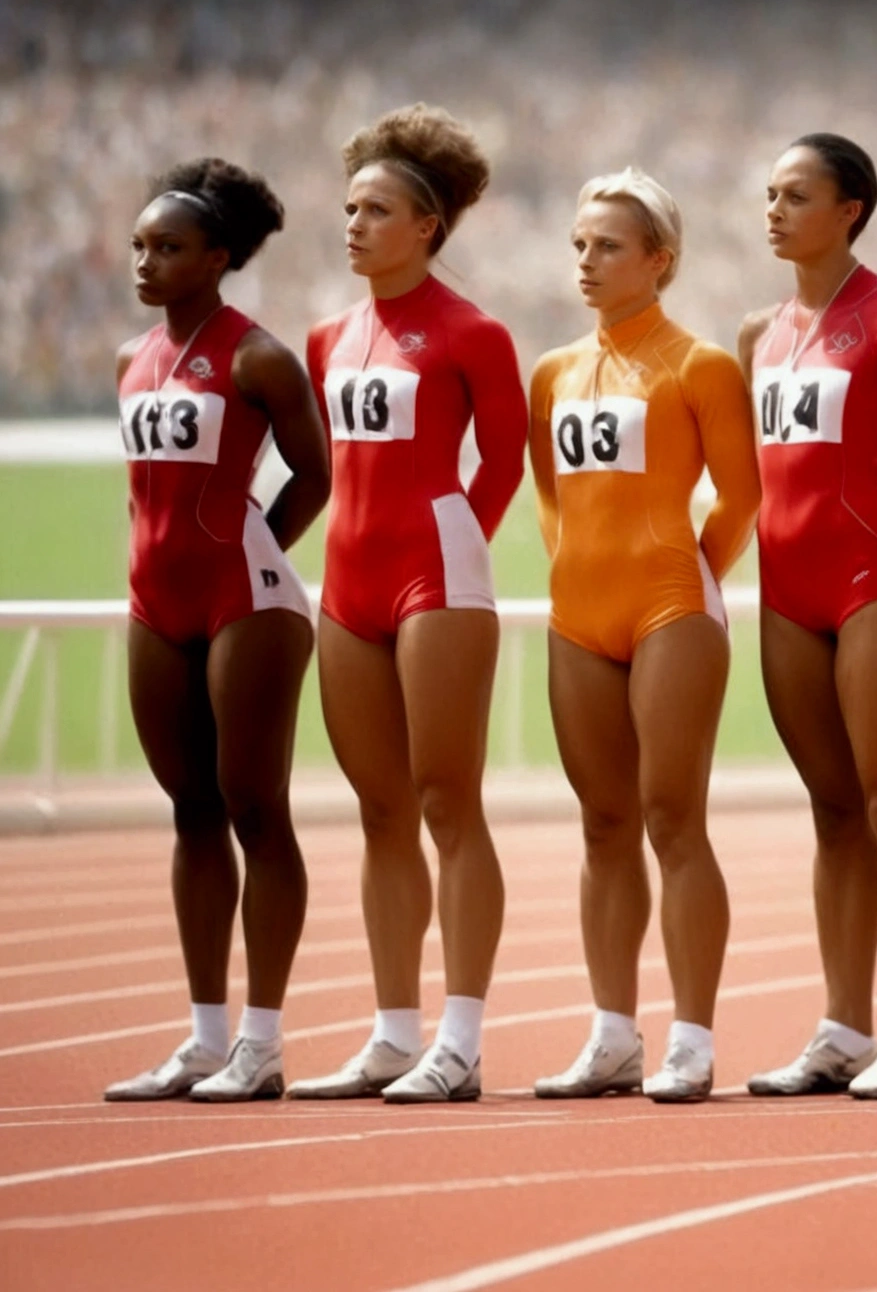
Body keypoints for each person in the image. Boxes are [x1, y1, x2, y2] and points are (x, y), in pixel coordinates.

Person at [289, 105, 528, 1104]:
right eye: (348, 207)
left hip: (437, 575)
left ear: (426, 226)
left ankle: (460, 1040)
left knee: (445, 801)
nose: (352, 224)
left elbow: (506, 458)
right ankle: (393, 1032)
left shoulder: (473, 332)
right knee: (380, 808)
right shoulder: (326, 338)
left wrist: (458, 542)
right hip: (347, 585)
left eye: (375, 210)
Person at [738, 134, 877, 1100]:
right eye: (771, 193)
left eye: (798, 194)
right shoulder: (761, 333)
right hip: (785, 593)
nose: (775, 209)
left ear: (851, 210)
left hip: (875, 587)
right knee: (833, 815)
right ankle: (841, 1027)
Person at [528, 171, 760, 1103]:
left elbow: (742, 497)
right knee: (602, 825)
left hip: (671, 605)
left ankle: (693, 1040)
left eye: (609, 246)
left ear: (658, 260)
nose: (587, 261)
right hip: (576, 614)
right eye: (580, 244)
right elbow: (550, 493)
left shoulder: (699, 365)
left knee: (672, 819)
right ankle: (612, 1036)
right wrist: (573, 564)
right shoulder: (550, 372)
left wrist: (691, 576)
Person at [105, 160, 329, 1103]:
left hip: (248, 598)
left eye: (168, 248)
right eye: (140, 247)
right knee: (189, 809)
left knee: (252, 807)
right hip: (156, 601)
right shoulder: (130, 359)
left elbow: (312, 476)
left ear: (218, 259)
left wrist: (258, 554)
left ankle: (263, 1043)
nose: (146, 263)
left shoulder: (259, 357)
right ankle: (204, 1038)